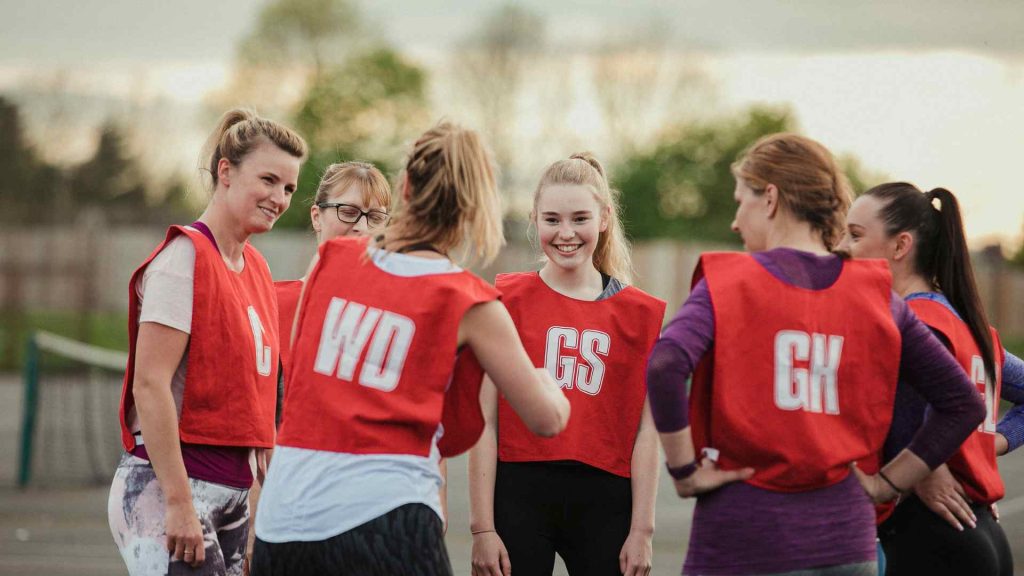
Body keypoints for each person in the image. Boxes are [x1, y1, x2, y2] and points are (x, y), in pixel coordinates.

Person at [645, 133, 987, 575]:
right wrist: (888, 483)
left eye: (739, 201)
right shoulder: (876, 295)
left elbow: (666, 363)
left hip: (746, 535)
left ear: (770, 197)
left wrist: (684, 471)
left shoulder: (731, 282)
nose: (734, 221)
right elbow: (964, 402)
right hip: (847, 539)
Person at [251, 120, 571, 576]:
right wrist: (545, 381)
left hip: (285, 522)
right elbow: (546, 419)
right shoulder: (468, 299)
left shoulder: (331, 262)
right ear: (476, 207)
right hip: (387, 515)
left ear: (404, 186)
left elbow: (304, 373)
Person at [107, 108, 307, 575]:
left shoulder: (256, 268)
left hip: (232, 493)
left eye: (290, 188)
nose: (280, 198)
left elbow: (255, 405)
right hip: (168, 489)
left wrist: (261, 504)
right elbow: (150, 386)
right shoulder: (184, 260)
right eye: (269, 180)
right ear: (226, 172)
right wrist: (178, 503)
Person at [469, 153, 666, 576]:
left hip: (607, 500)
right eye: (552, 220)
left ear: (605, 219)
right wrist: (482, 528)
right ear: (535, 220)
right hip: (519, 492)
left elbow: (648, 431)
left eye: (580, 218)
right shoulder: (506, 300)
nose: (566, 233)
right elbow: (484, 419)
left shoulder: (639, 315)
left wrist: (642, 530)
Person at [839, 183, 1024, 576]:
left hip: (933, 536)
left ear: (900, 245)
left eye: (855, 235)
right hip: (980, 533)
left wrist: (918, 468)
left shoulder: (914, 328)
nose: (841, 247)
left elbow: (911, 415)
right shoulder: (971, 328)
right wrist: (991, 443)